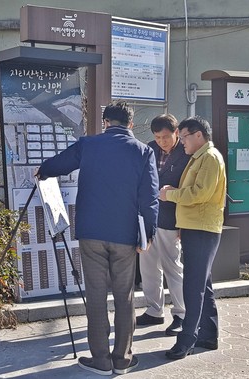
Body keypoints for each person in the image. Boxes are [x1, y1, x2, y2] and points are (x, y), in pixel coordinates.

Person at [37, 100, 159, 376]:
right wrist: (148, 234)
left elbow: (59, 164)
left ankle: (101, 360)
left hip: (91, 232)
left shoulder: (88, 145)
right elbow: (150, 198)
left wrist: (43, 170)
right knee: (124, 296)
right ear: (130, 123)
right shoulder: (143, 152)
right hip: (125, 235)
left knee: (95, 296)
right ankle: (123, 359)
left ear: (105, 122)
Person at [159, 116, 226, 360]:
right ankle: (209, 335)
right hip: (194, 227)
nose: (182, 141)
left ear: (198, 135)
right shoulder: (199, 157)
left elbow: (199, 194)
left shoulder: (209, 157)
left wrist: (170, 195)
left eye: (184, 136)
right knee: (203, 284)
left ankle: (186, 340)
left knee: (193, 286)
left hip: (202, 229)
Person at [136, 114, 189, 336]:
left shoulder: (186, 154)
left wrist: (183, 224)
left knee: (172, 267)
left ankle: (181, 314)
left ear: (176, 133)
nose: (162, 141)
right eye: (157, 137)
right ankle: (154, 310)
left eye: (166, 137)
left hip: (172, 219)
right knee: (148, 266)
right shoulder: (149, 149)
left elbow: (187, 189)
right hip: (148, 218)